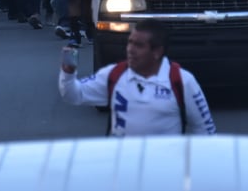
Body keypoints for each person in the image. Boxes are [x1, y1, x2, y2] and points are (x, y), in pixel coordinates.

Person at [58, 19, 216, 136]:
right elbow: (74, 95)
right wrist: (68, 73)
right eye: (130, 43)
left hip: (165, 174)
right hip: (122, 172)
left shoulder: (182, 80)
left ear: (157, 52)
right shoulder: (114, 74)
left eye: (138, 45)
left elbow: (205, 130)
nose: (130, 50)